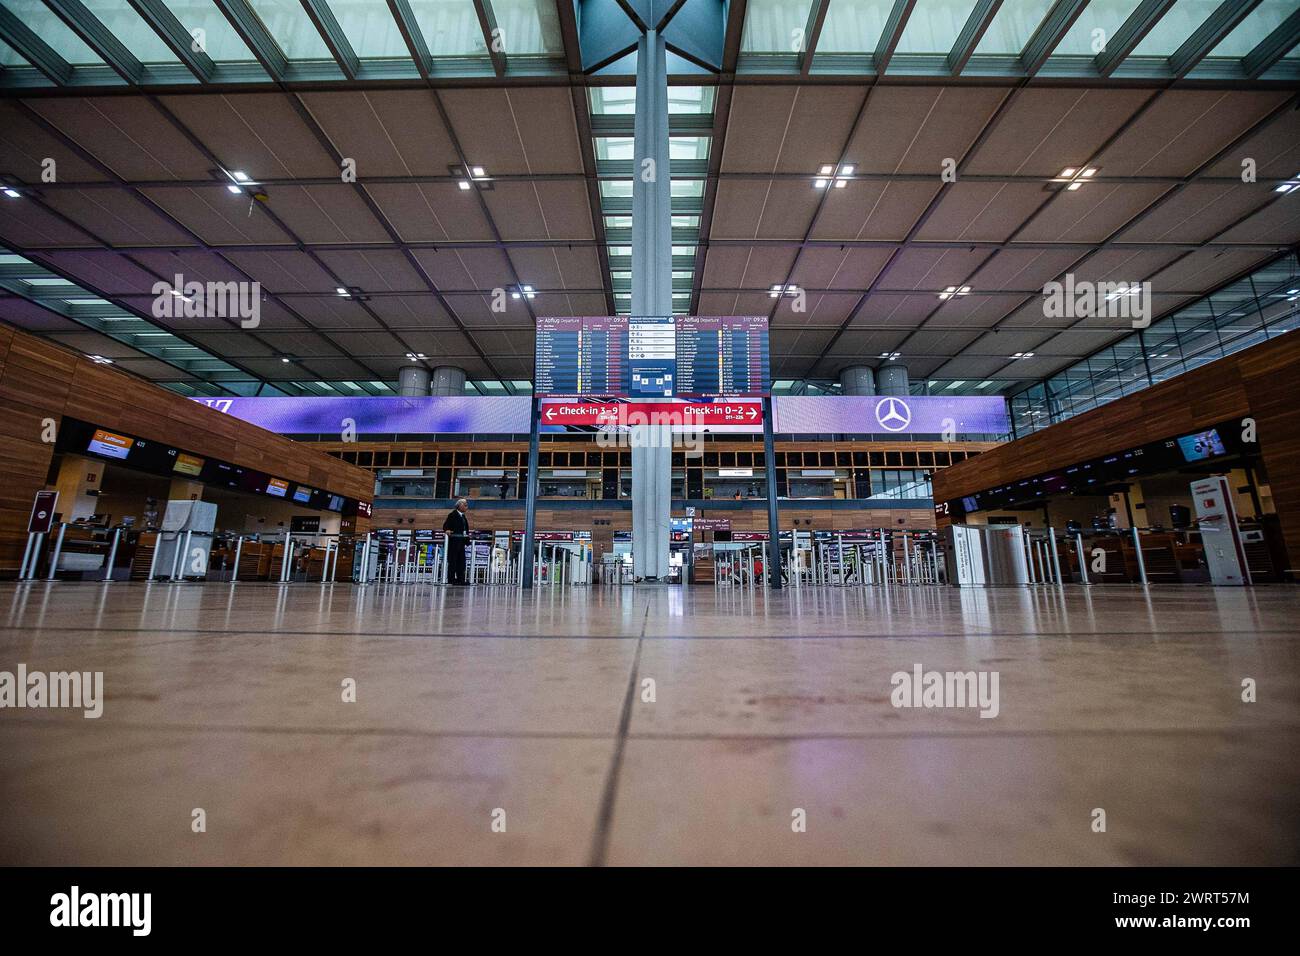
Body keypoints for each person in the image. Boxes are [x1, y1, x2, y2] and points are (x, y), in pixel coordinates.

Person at [443, 498, 470, 585]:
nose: (466, 506)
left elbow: (465, 529)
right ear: (459, 505)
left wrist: (467, 540)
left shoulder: (463, 516)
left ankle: (460, 579)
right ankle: (451, 579)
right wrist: (447, 530)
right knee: (453, 561)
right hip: (454, 542)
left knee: (461, 562)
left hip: (461, 542)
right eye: (464, 505)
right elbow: (446, 525)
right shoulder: (452, 515)